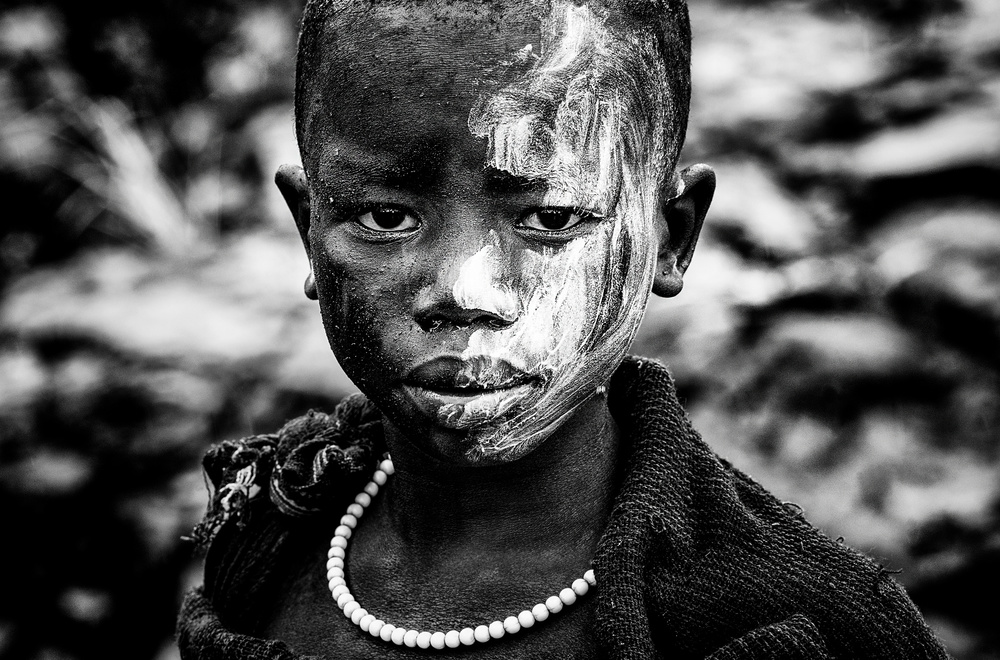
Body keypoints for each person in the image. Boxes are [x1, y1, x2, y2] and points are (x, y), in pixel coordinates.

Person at [176, 0, 951, 657]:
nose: (466, 292)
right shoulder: (271, 529)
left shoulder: (802, 620)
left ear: (672, 236)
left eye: (549, 219)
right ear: (309, 230)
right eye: (385, 216)